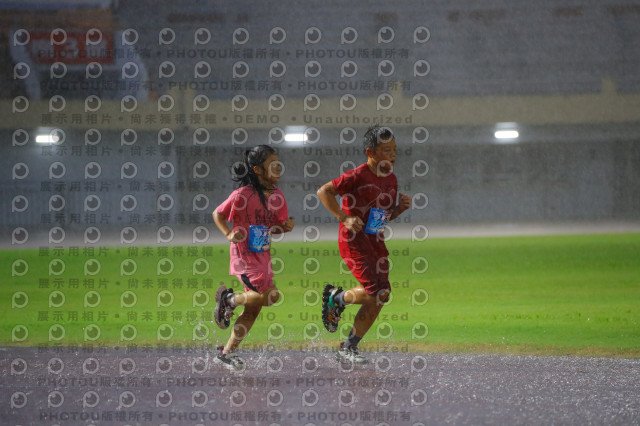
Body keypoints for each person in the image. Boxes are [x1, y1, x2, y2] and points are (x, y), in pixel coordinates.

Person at [317, 125, 411, 363]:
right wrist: (345, 217)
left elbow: (381, 218)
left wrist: (398, 210)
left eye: (394, 150)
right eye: (386, 150)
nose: (393, 155)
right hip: (354, 242)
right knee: (373, 293)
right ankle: (336, 300)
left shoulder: (391, 180)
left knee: (382, 295)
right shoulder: (357, 175)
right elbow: (324, 191)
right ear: (371, 152)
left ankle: (349, 345)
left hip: (375, 241)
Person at [212, 145, 294, 370]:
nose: (278, 167)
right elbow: (218, 213)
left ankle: (227, 353)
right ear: (257, 169)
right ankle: (229, 300)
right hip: (244, 257)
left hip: (263, 256)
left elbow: (274, 227)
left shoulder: (277, 196)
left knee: (254, 307)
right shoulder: (242, 195)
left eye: (278, 163)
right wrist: (229, 234)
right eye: (272, 164)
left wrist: (285, 227)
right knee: (271, 296)